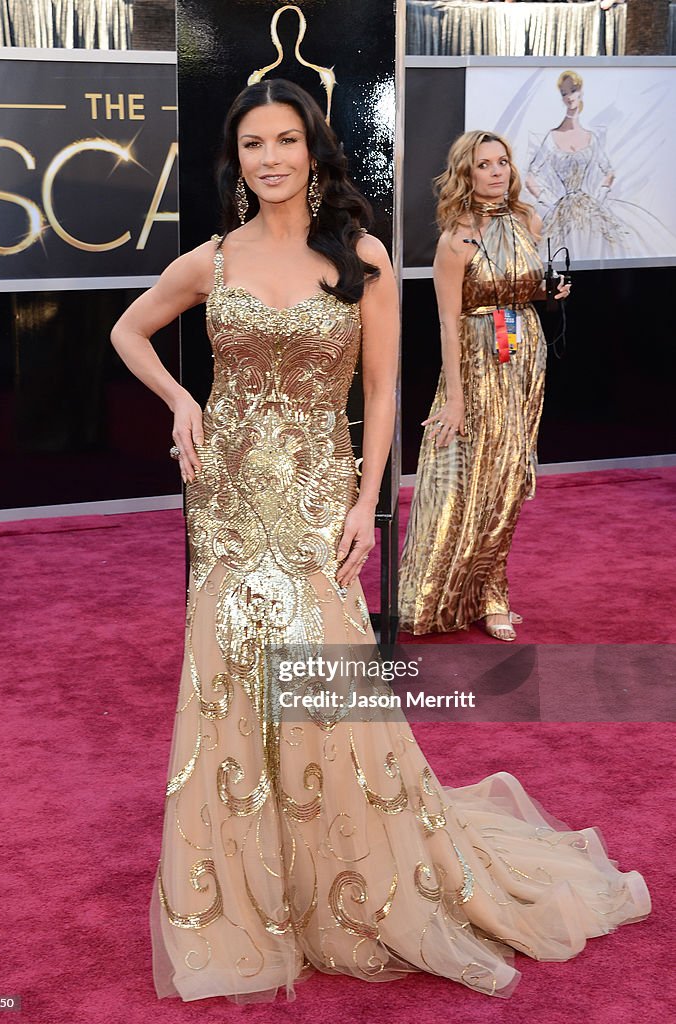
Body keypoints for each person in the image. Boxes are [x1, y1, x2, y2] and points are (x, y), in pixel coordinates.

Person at [112, 91, 649, 1004]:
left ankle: (348, 876)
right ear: (234, 158)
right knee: (231, 674)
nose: (270, 157)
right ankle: (251, 884)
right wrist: (183, 400)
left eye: (286, 140)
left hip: (322, 494)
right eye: (252, 143)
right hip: (231, 500)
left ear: (315, 151)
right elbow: (128, 330)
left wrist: (371, 502)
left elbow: (385, 392)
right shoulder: (211, 259)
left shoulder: (361, 257)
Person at [399, 130, 568, 640]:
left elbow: (521, 283)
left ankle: (493, 591)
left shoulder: (528, 221)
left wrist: (548, 290)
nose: (496, 172)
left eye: (502, 162)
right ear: (465, 175)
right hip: (475, 361)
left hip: (523, 357)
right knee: (464, 481)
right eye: (484, 165)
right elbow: (448, 323)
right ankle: (442, 594)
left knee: (510, 479)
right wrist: (454, 399)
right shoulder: (456, 240)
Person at [525, 71, 676, 260]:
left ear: (581, 92)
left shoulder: (591, 137)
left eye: (573, 90)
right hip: (563, 210)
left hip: (590, 207)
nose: (570, 97)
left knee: (602, 249)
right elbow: (530, 176)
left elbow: (609, 171)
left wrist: (599, 196)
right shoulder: (552, 137)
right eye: (564, 93)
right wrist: (551, 202)